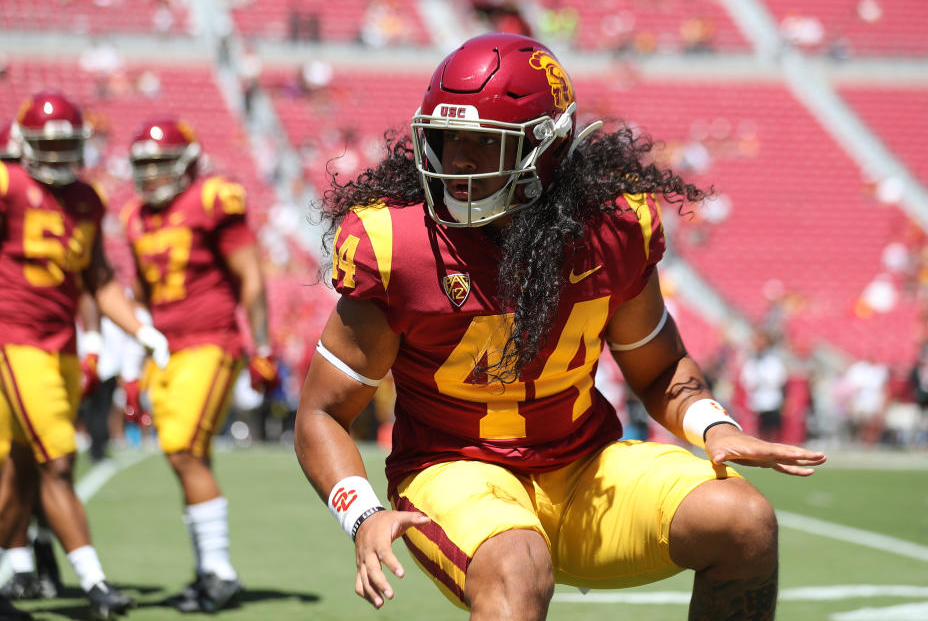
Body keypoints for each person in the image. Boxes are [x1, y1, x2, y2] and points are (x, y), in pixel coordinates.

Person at [294, 33, 826, 620]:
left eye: (482, 144)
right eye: (447, 141)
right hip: (454, 469)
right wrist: (361, 513)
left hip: (582, 469)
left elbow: (658, 367)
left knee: (744, 522)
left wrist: (713, 426)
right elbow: (323, 411)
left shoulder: (614, 230)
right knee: (518, 565)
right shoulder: (396, 243)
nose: (458, 163)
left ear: (546, 150)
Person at [0, 92, 171, 621]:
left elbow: (96, 277)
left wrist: (139, 328)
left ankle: (14, 570)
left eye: (67, 145)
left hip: (62, 344)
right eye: (47, 146)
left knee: (20, 465)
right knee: (58, 458)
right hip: (13, 337)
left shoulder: (86, 200)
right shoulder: (7, 185)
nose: (57, 157)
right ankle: (94, 582)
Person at [121, 118, 279, 612]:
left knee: (184, 449)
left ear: (187, 163)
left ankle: (220, 572)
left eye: (161, 163)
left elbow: (251, 278)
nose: (151, 175)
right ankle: (207, 570)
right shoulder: (134, 218)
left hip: (211, 342)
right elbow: (144, 301)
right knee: (185, 459)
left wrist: (262, 346)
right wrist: (134, 366)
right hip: (166, 349)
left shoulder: (214, 200)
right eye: (143, 165)